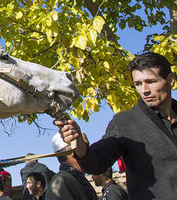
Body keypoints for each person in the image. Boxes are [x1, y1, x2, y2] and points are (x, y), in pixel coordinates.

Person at [55, 52, 177, 199]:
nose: (144, 90)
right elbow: (96, 162)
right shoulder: (125, 123)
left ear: (170, 80)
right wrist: (80, 145)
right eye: (138, 84)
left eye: (151, 81)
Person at [45, 133, 97, 200]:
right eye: (85, 146)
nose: (89, 151)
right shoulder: (60, 182)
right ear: (71, 151)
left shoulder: (75, 180)